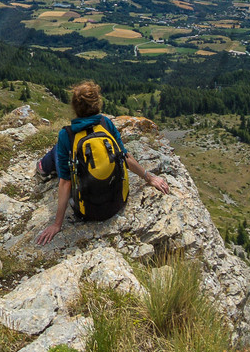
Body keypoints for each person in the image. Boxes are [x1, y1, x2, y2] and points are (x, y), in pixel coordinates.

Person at [34, 81, 172, 246]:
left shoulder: (66, 134)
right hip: (117, 202)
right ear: (97, 103)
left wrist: (57, 224)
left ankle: (43, 168)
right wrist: (150, 178)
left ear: (74, 107)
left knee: (59, 148)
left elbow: (65, 182)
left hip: (86, 211)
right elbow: (125, 157)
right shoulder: (106, 123)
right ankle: (45, 165)